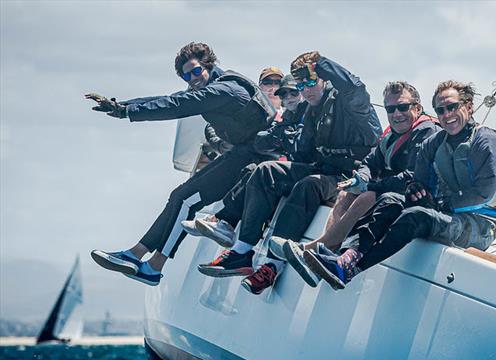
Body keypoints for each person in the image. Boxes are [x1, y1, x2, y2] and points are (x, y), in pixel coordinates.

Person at [86, 42, 276, 286]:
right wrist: (120, 105)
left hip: (256, 159)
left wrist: (126, 113)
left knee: (186, 199)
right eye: (186, 76)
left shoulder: (225, 90)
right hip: (243, 154)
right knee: (180, 196)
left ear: (209, 65)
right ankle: (136, 256)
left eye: (196, 71)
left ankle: (151, 266)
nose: (192, 78)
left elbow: (177, 106)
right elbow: (168, 99)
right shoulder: (212, 86)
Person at [196, 51, 381, 295]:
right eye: (301, 85)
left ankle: (273, 265)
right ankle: (241, 251)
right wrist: (285, 129)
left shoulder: (347, 102)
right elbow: (302, 155)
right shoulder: (311, 109)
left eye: (310, 82)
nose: (306, 90)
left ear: (324, 79)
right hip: (323, 169)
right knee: (266, 172)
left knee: (309, 185)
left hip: (350, 176)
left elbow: (355, 88)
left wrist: (320, 63)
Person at [303, 80, 496, 290]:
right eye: (441, 110)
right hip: (446, 212)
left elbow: (483, 194)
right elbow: (419, 180)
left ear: (468, 107)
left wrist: (440, 204)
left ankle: (351, 270)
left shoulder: (486, 142)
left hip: (482, 224)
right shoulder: (433, 143)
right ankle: (346, 256)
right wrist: (415, 188)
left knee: (416, 216)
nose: (447, 115)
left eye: (452, 107)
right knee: (389, 200)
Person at [281, 81, 440, 286]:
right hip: (391, 189)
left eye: (402, 107)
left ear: (417, 108)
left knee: (368, 196)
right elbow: (370, 162)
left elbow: (414, 174)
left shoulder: (426, 131)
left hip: (417, 196)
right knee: (346, 193)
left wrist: (372, 186)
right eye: (390, 109)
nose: (396, 114)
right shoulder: (391, 134)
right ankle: (326, 251)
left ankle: (322, 247)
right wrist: (361, 178)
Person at [184, 74, 307, 243]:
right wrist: (227, 143)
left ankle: (237, 238)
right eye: (283, 94)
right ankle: (225, 224)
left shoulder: (305, 114)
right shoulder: (283, 117)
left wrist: (280, 136)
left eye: (293, 93)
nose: (288, 97)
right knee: (251, 170)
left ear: (303, 92)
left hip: (293, 169)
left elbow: (299, 144)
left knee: (262, 171)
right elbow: (259, 141)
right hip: (271, 166)